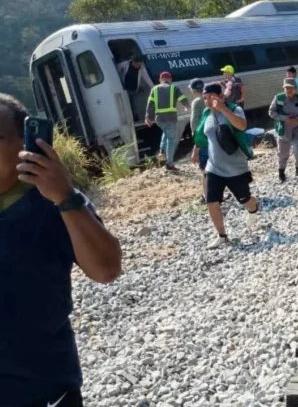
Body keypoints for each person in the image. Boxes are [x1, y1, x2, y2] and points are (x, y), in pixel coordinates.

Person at [0, 94, 122, 407]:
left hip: (40, 390)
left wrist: (65, 196)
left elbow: (107, 269)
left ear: (26, 144)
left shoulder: (50, 201)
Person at [193, 83, 259, 249]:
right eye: (205, 98)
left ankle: (253, 209)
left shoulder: (234, 109)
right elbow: (203, 134)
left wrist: (223, 109)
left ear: (221, 97)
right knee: (212, 202)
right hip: (214, 167)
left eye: (211, 97)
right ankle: (222, 236)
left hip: (236, 168)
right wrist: (196, 149)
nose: (208, 101)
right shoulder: (206, 114)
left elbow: (242, 126)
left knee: (245, 200)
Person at [269, 78, 298, 183]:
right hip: (283, 130)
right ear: (283, 88)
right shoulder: (278, 98)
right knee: (283, 153)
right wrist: (285, 118)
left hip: (297, 130)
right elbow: (271, 112)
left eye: (291, 88)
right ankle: (281, 174)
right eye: (286, 88)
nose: (289, 90)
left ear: (295, 89)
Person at [145, 71, 190, 171]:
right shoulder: (174, 88)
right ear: (170, 79)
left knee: (165, 134)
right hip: (170, 118)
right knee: (171, 140)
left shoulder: (154, 89)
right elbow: (182, 98)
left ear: (160, 80)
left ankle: (161, 153)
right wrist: (187, 106)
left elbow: (150, 104)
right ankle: (169, 163)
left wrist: (147, 117)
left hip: (159, 119)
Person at [116, 55, 154, 122]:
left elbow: (147, 78)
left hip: (134, 90)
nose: (138, 66)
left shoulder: (142, 68)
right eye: (137, 64)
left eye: (140, 64)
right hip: (125, 89)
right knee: (126, 105)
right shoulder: (125, 64)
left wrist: (153, 87)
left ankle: (134, 119)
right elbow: (117, 68)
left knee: (134, 105)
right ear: (133, 62)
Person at [189, 78, 209, 201]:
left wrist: (195, 145)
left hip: (203, 140)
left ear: (192, 90)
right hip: (214, 138)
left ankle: (207, 196)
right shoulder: (210, 98)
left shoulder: (197, 102)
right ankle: (219, 193)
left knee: (205, 169)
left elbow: (194, 123)